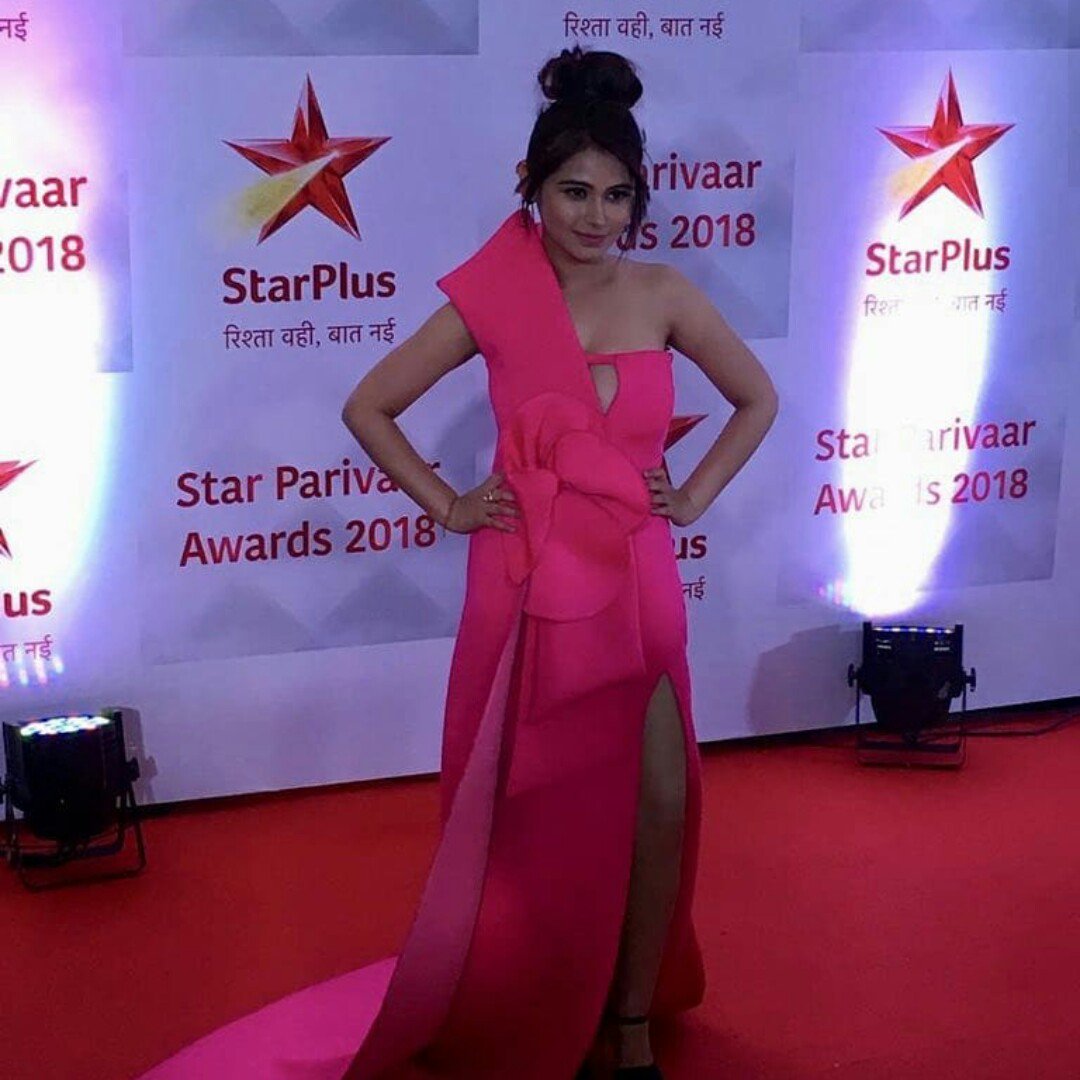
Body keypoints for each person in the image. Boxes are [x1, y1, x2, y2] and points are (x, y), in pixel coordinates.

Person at [338, 47, 778, 1079]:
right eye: (574, 190)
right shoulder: (494, 301)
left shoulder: (664, 292)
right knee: (529, 807)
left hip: (638, 575)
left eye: (617, 195)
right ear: (531, 187)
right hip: (525, 577)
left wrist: (692, 496)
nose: (596, 215)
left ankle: (630, 1015)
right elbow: (369, 406)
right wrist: (451, 503)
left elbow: (757, 398)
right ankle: (529, 992)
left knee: (659, 799)